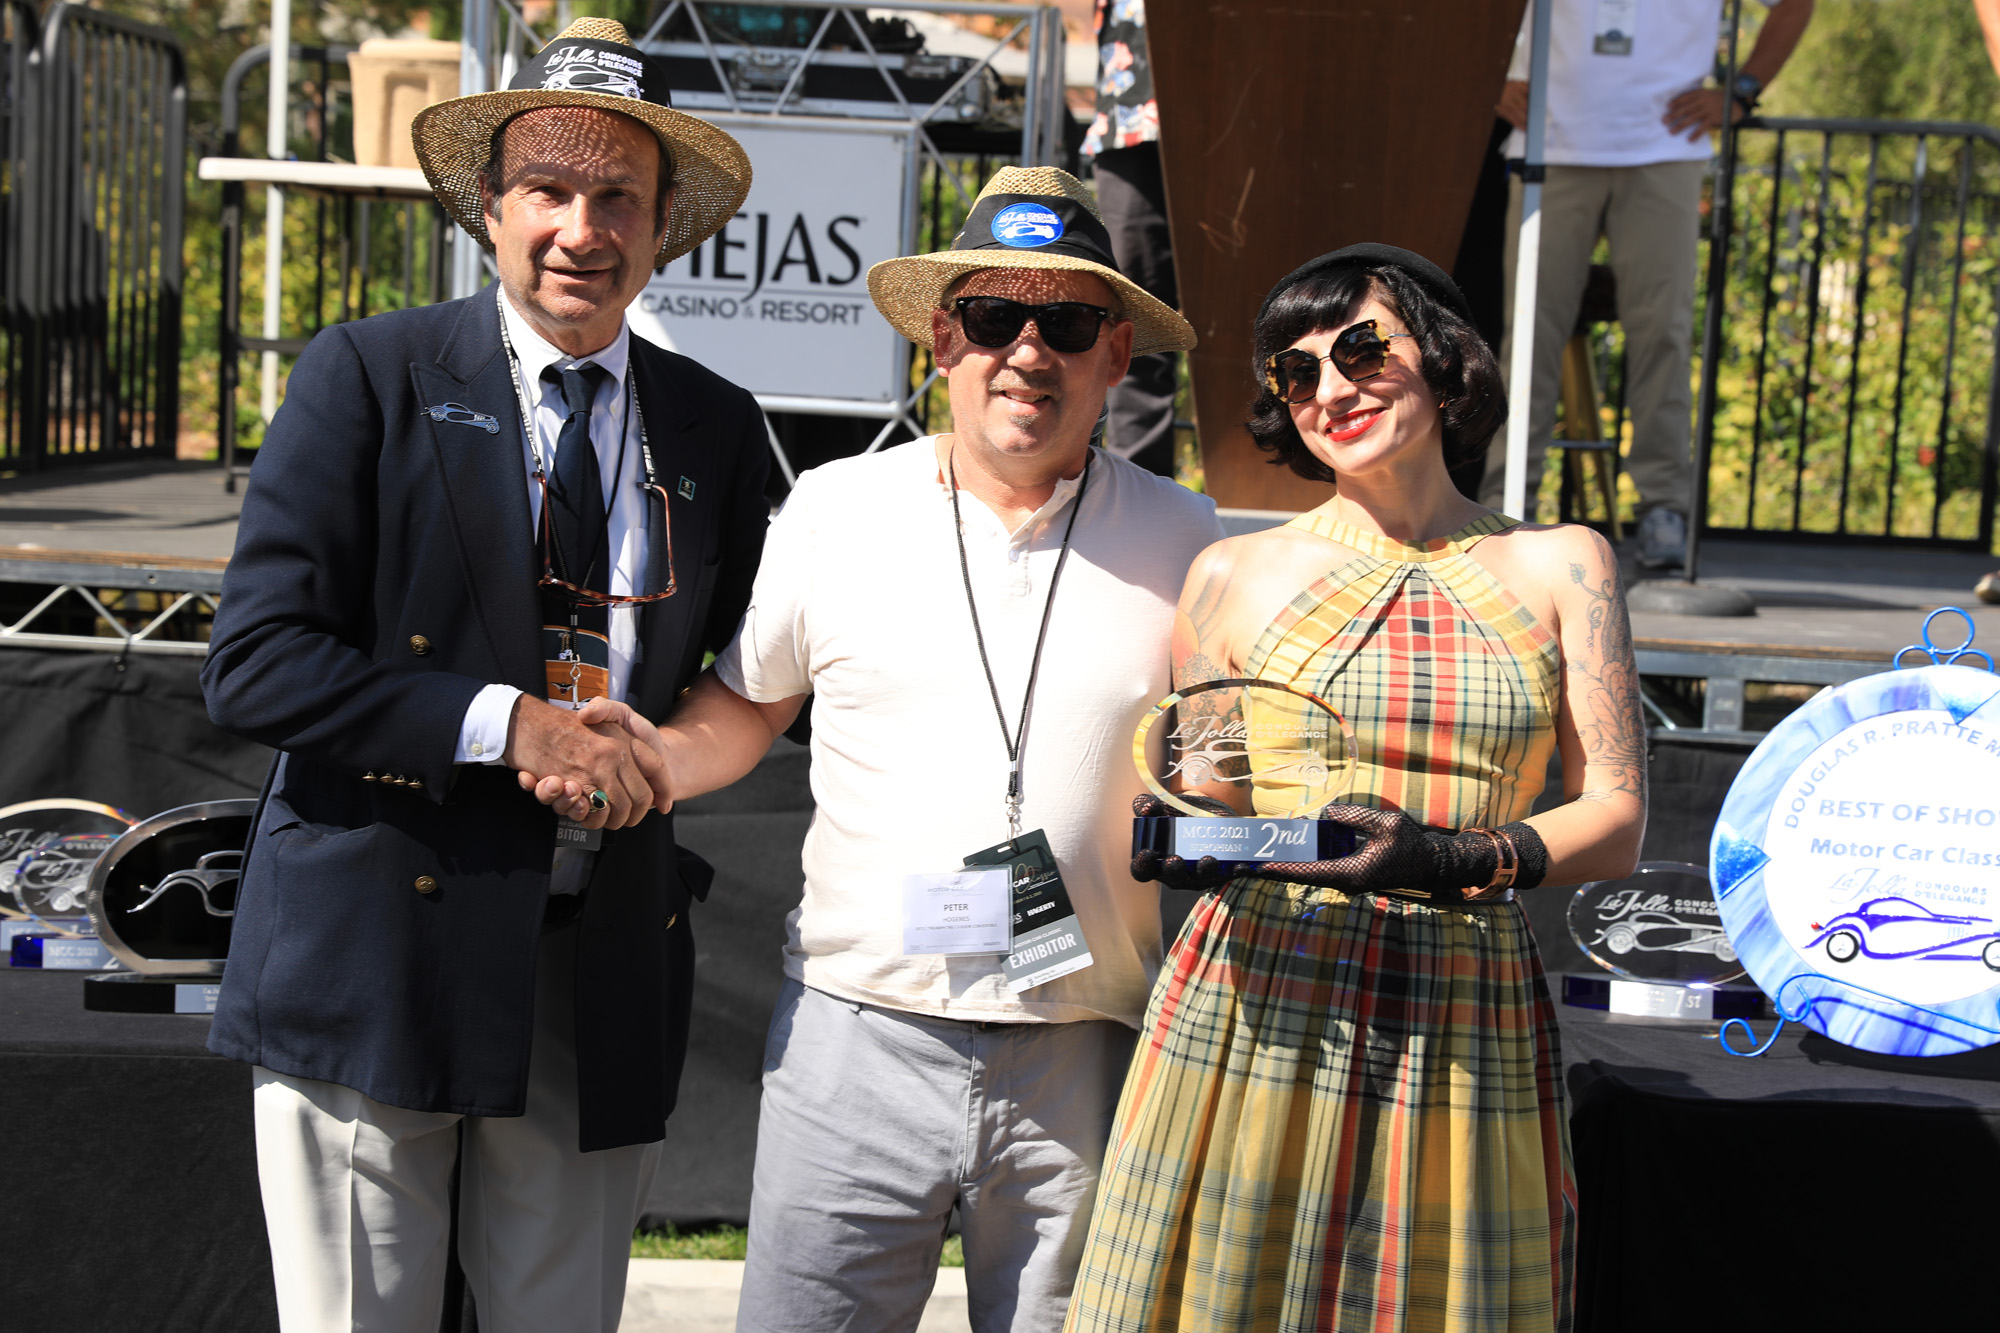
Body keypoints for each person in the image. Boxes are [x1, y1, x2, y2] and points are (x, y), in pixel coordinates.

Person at [546, 167, 1225, 1332]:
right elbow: (748, 705)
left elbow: (1216, 765)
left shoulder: (1188, 535)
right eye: (995, 318)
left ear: (1115, 354)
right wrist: (649, 756)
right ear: (942, 339)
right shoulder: (834, 508)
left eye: (1065, 324)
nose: (1027, 353)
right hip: (856, 1035)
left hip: (1089, 1050)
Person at [199, 20, 767, 1329]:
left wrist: (656, 757)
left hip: (596, 957)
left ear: (663, 226)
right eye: (548, 190)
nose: (582, 228)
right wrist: (510, 725)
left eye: (617, 197)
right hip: (378, 945)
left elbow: (752, 668)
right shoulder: (369, 374)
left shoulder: (716, 426)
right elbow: (257, 664)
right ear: (490, 208)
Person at [1066, 245, 1647, 1331]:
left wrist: (1454, 858)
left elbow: (1614, 819)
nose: (1330, 387)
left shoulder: (1566, 563)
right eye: (1296, 373)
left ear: (1444, 357)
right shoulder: (1229, 573)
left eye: (1362, 349)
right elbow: (1209, 792)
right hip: (1259, 996)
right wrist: (1181, 835)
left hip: (1462, 999)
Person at [1479, 0, 1815, 569]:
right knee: (1530, 336)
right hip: (1550, 145)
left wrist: (1741, 91)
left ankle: (1663, 507)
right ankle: (1504, 506)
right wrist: (1490, 80)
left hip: (1664, 149)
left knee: (1663, 333)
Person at [1083, 0, 1180, 478]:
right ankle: (1136, 499)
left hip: (1252, 100)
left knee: (1267, 317)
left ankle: (1280, 492)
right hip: (1132, 113)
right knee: (1131, 327)